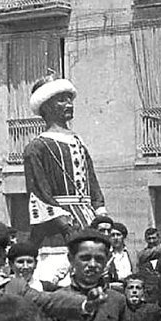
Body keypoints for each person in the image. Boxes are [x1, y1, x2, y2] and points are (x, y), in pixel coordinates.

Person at [22, 75, 107, 287]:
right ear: (46, 106)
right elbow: (39, 193)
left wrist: (101, 213)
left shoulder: (78, 142)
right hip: (56, 229)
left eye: (70, 99)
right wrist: (65, 225)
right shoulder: (37, 147)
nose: (69, 104)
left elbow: (92, 181)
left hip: (87, 219)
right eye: (61, 99)